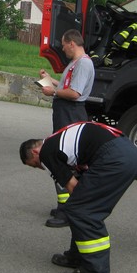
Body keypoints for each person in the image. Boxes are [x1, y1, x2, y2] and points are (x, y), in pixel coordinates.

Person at [19, 121, 137, 273]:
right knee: (79, 208)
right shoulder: (59, 141)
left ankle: (96, 272)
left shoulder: (46, 152)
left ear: (34, 152)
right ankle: (77, 256)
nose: (39, 167)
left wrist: (79, 206)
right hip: (127, 152)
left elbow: (73, 187)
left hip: (114, 157)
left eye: (34, 165)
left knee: (83, 211)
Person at [38, 29, 94, 227]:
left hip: (71, 112)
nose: (62, 48)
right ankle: (65, 206)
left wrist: (53, 91)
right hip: (65, 112)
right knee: (63, 157)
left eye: (63, 44)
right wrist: (50, 80)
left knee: (63, 159)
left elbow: (74, 93)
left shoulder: (84, 64)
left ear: (72, 43)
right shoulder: (76, 63)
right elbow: (66, 86)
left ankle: (68, 211)